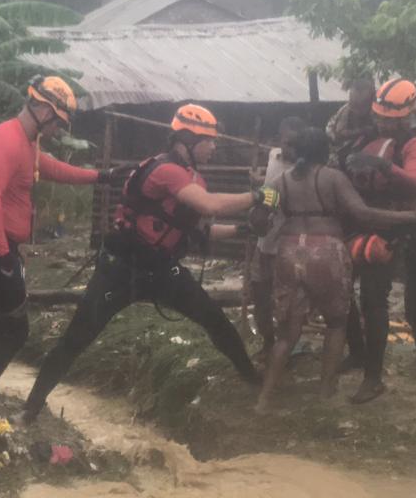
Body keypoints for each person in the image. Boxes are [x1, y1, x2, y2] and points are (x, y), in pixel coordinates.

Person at [22, 103, 263, 421]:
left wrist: (244, 229)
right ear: (187, 140)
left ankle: (255, 383)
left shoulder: (191, 180)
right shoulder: (166, 171)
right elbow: (209, 205)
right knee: (76, 338)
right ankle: (31, 408)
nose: (214, 147)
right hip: (121, 270)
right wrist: (259, 197)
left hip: (163, 270)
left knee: (215, 320)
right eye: (209, 140)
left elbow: (197, 233)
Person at [257, 129, 416, 413]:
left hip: (289, 252)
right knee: (336, 323)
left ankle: (264, 398)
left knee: (287, 334)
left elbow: (258, 216)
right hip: (325, 251)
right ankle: (325, 390)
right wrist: (412, 216)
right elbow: (363, 213)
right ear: (324, 153)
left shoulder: (278, 182)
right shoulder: (332, 178)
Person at [0, 77, 103, 416]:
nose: (57, 130)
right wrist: (2, 257)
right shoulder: (4, 143)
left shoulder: (26, 141)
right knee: (14, 329)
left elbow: (50, 168)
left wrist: (99, 177)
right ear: (41, 109)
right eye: (57, 122)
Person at [342, 77, 416, 403]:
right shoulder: (367, 137)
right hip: (355, 223)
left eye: (389, 119)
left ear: (407, 115)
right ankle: (356, 350)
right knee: (341, 293)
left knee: (373, 299)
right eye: (379, 117)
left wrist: (384, 166)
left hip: (389, 230)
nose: (382, 123)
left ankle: (373, 376)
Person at [250, 116, 306, 357]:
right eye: (286, 142)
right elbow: (269, 188)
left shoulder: (304, 171)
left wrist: (263, 199)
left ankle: (285, 349)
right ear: (279, 140)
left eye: (296, 143)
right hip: (264, 243)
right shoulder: (273, 156)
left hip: (287, 248)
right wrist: (258, 184)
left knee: (285, 303)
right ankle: (268, 342)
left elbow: (276, 197)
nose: (290, 148)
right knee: (259, 296)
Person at [327, 74, 376, 167]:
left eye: (362, 106)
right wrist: (362, 131)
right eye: (355, 105)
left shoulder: (377, 110)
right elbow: (339, 132)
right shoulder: (345, 110)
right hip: (340, 149)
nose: (358, 111)